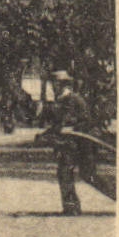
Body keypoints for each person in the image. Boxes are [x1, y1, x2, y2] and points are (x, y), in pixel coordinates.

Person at [42, 71, 94, 215]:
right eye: (53, 83)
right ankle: (70, 206)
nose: (54, 86)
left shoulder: (73, 99)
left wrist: (64, 129)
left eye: (56, 83)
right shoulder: (62, 100)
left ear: (64, 84)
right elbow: (59, 123)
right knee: (64, 173)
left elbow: (78, 121)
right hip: (67, 144)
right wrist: (47, 133)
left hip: (76, 144)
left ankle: (72, 207)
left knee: (65, 173)